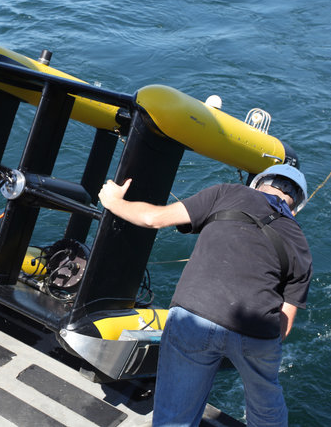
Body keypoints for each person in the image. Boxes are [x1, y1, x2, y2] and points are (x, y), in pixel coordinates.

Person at [98, 164, 312, 427]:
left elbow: (154, 219)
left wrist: (113, 201)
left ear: (257, 184)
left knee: (174, 417)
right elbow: (283, 326)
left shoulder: (227, 192)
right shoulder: (301, 243)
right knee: (266, 406)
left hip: (194, 315)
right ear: (295, 206)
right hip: (256, 332)